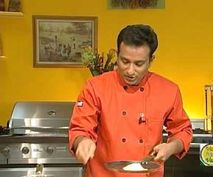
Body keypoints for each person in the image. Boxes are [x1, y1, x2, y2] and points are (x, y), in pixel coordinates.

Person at [69, 24, 193, 177]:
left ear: (151, 60)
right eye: (124, 61)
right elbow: (80, 128)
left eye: (139, 64)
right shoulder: (95, 87)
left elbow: (182, 130)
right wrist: (82, 141)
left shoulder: (168, 90)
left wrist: (171, 147)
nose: (130, 71)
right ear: (117, 55)